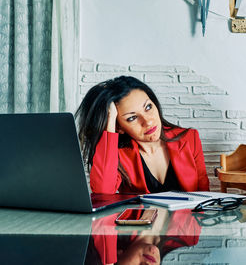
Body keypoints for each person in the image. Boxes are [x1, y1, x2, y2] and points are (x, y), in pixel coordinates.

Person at [75, 76, 209, 194]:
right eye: (132, 118)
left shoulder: (190, 138)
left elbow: (205, 198)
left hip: (187, 222)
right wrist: (110, 121)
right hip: (140, 222)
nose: (148, 121)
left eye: (148, 107)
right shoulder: (117, 155)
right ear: (119, 128)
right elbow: (103, 191)